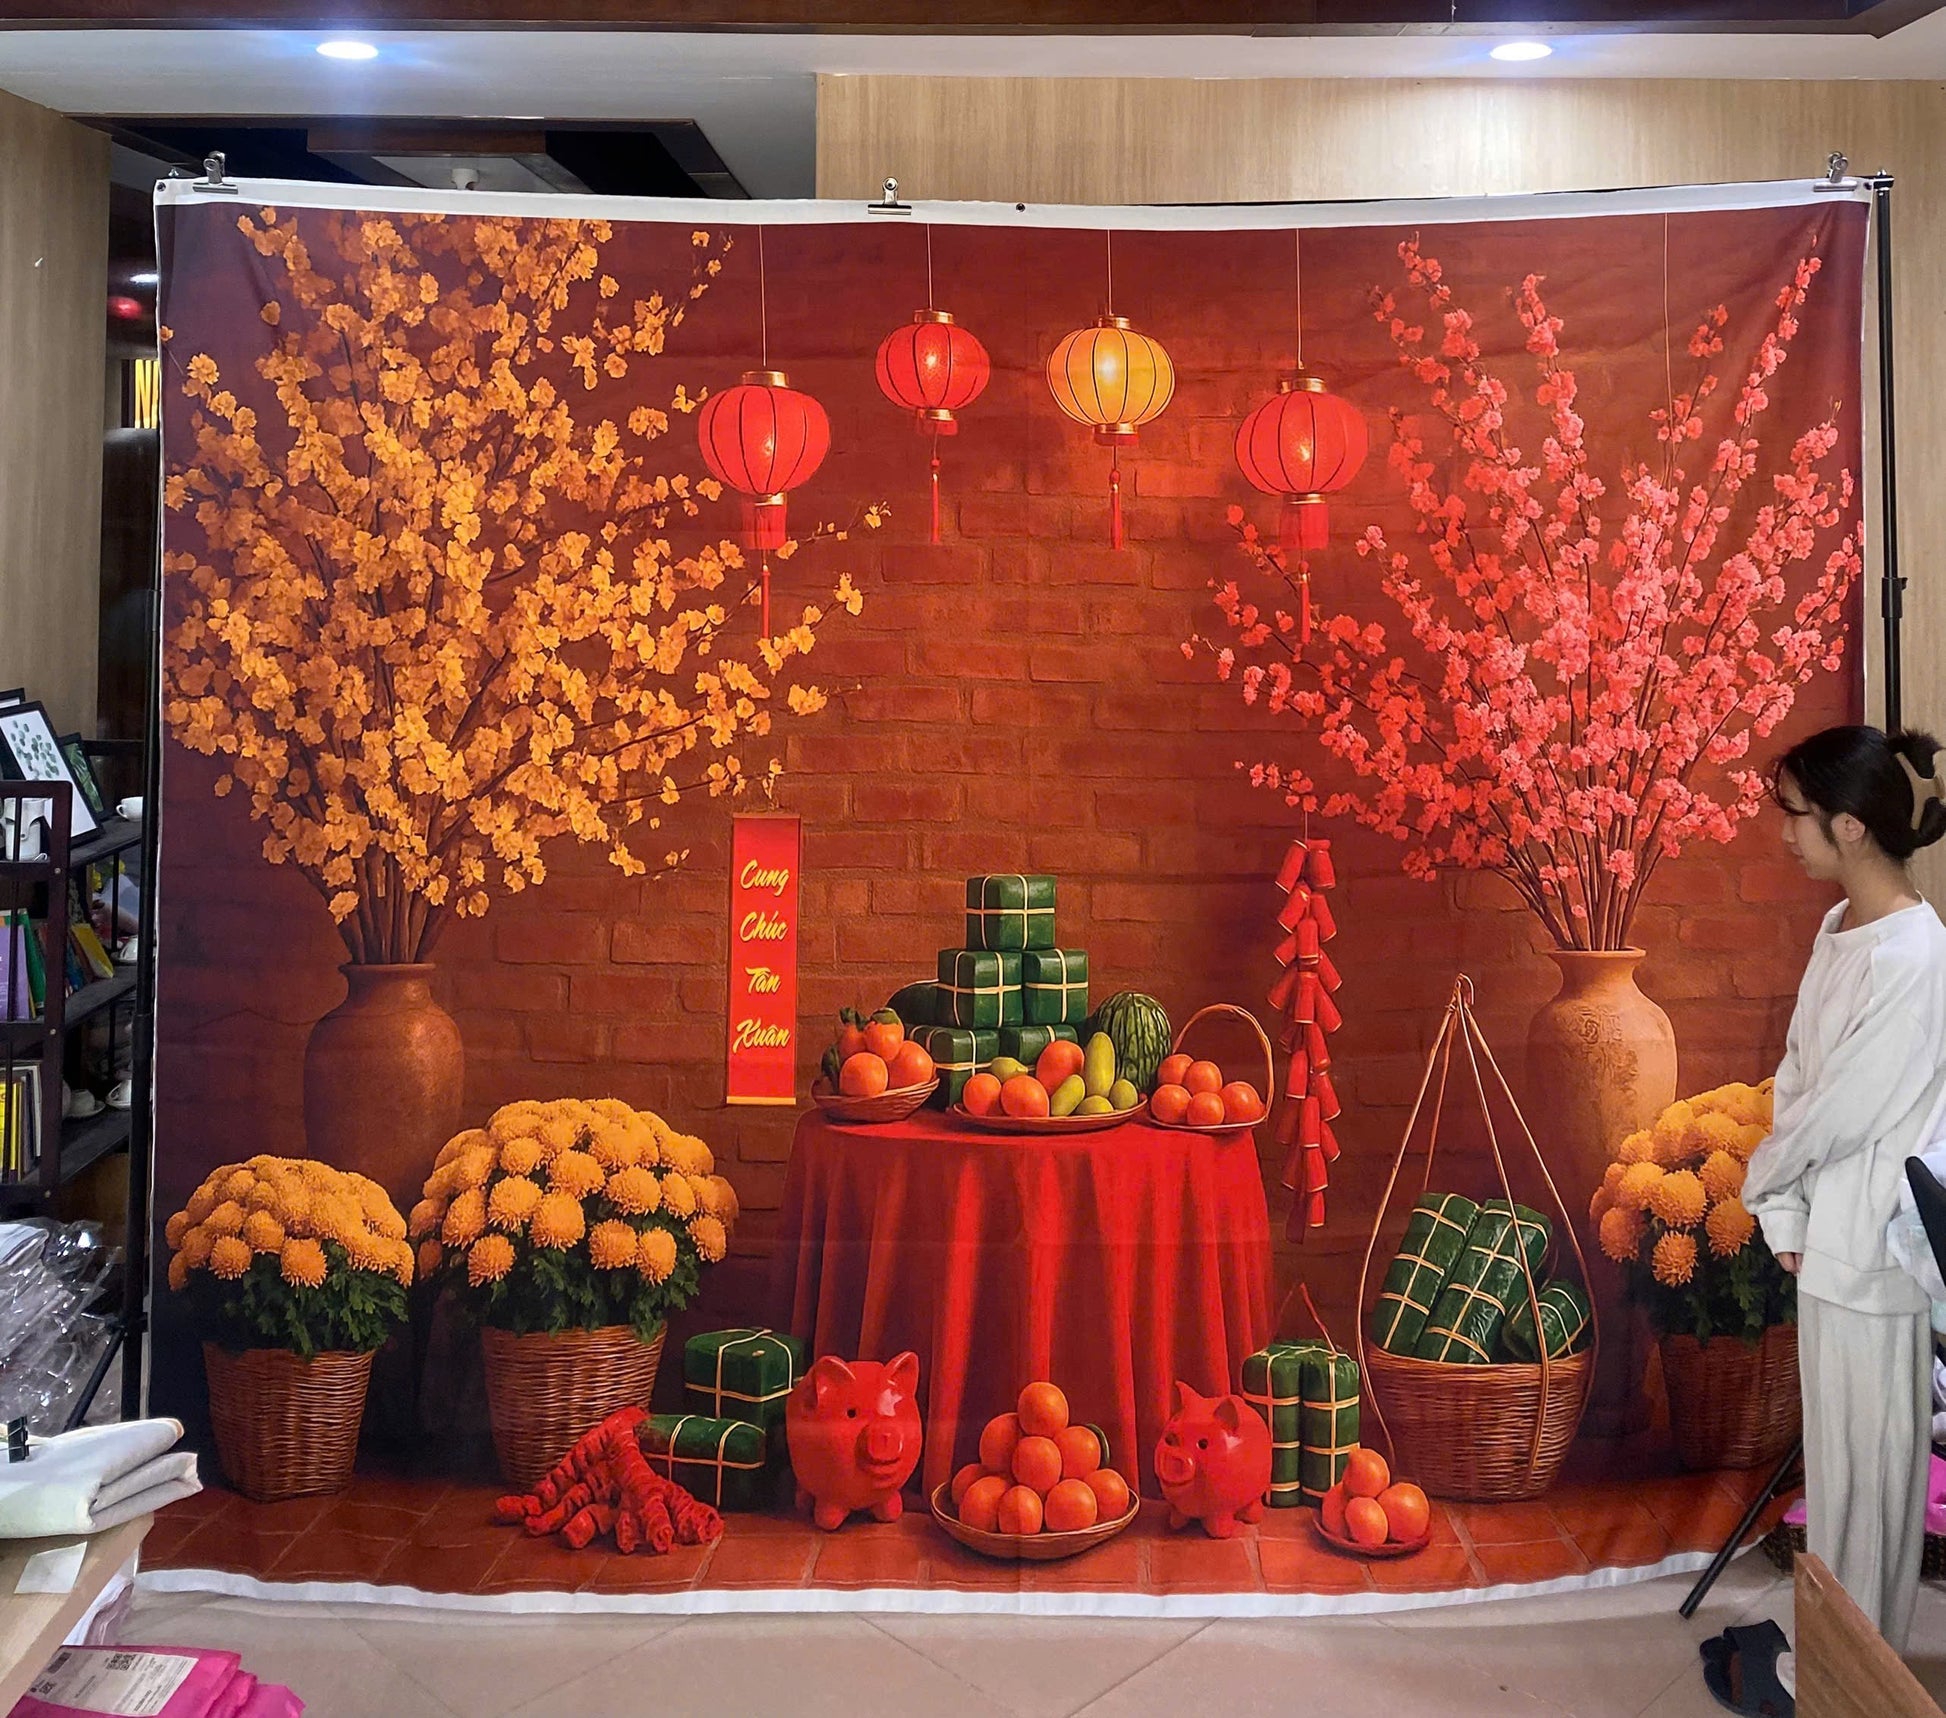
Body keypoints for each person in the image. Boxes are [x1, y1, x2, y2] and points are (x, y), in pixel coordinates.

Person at [1720, 726, 1946, 1707]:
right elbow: (1798, 1077)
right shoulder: (1840, 927)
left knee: (1877, 1486)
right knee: (1841, 1475)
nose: (1784, 834)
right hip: (1821, 1238)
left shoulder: (1915, 955)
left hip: (1875, 1245)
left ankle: (1864, 1680)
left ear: (1849, 825)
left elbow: (1841, 1109)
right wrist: (1782, 1210)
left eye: (1795, 815)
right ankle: (1833, 1666)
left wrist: (1766, 1185)